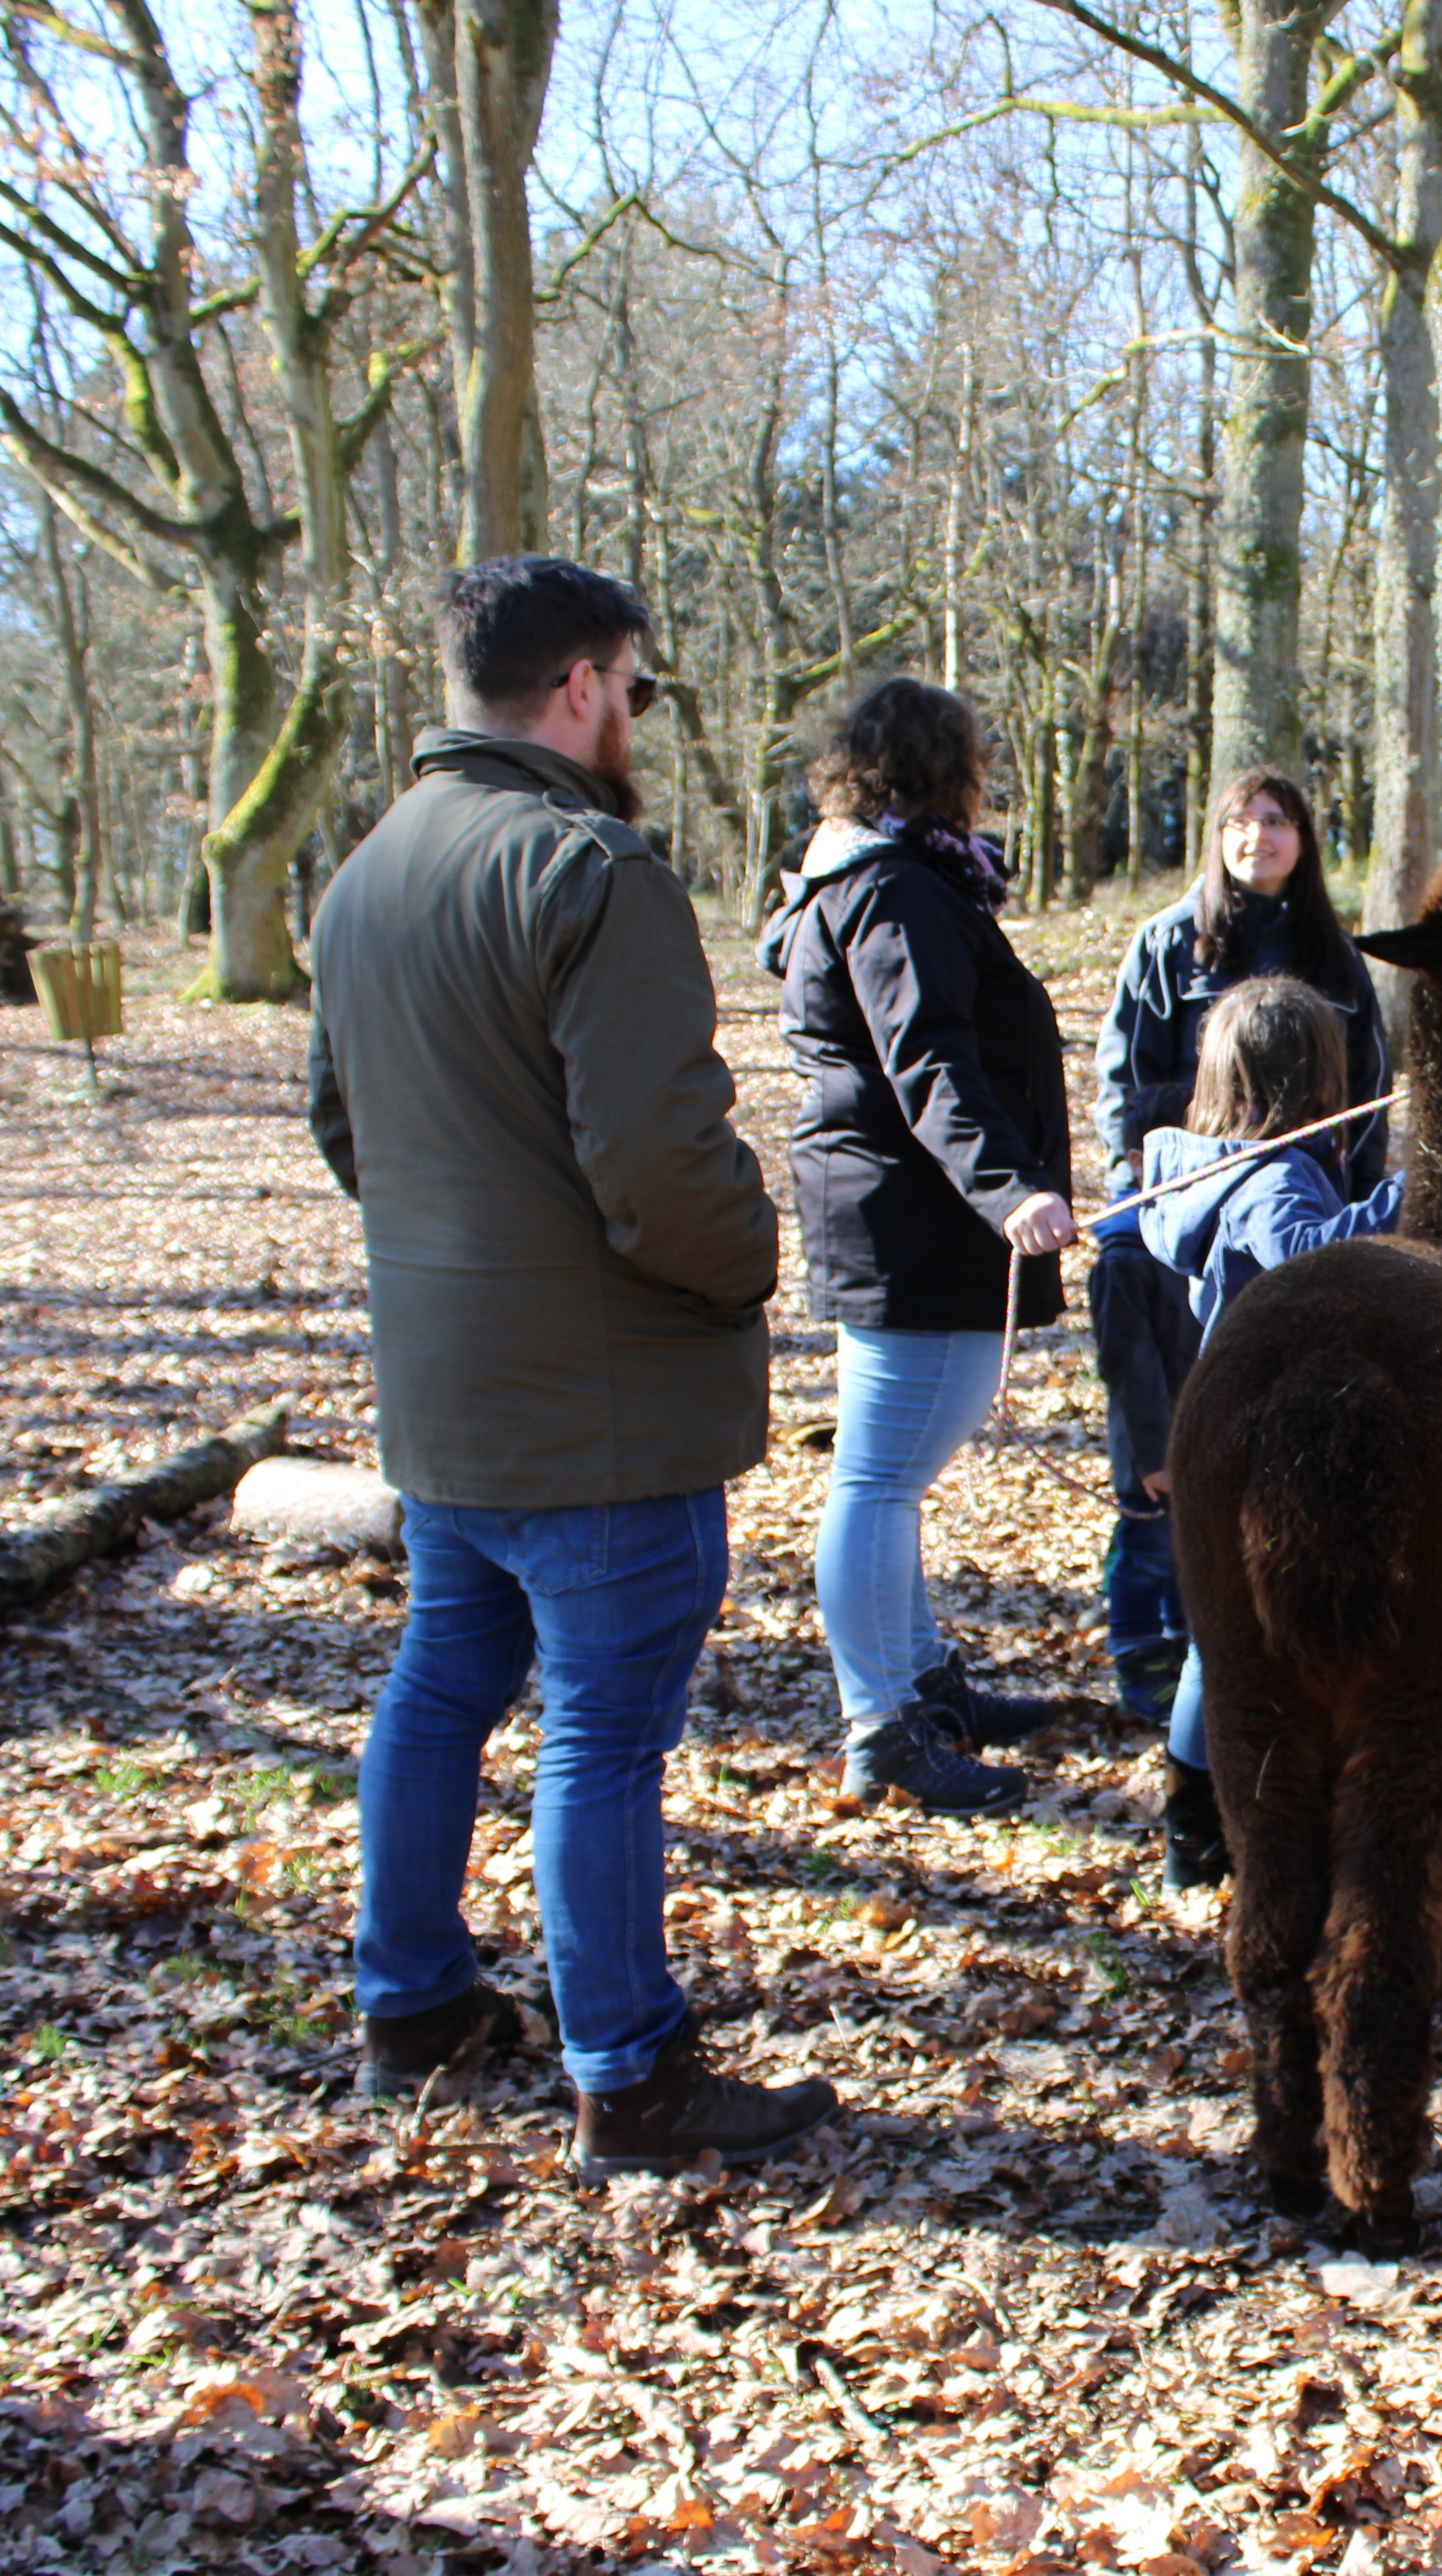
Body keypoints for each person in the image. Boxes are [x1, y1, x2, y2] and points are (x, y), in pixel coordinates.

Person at [307, 553, 836, 2181]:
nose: (639, 717)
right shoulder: (588, 870)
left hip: (447, 1397)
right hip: (603, 1407)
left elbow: (347, 1128)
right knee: (601, 1734)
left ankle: (411, 2001)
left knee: (443, 1685)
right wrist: (753, 1258)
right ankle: (633, 2069)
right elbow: (663, 1165)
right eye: (640, 686)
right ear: (584, 684)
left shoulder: (366, 875)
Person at [764, 680, 1081, 1817]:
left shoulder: (890, 877)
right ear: (944, 770)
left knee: (891, 1479)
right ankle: (881, 1729)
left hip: (904, 1212)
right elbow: (928, 1060)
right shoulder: (889, 888)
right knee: (878, 1481)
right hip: (914, 1220)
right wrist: (1008, 1193)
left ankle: (920, 1682)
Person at [1088, 769, 1389, 1727]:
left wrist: (1361, 1201)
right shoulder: (1168, 944)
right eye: (1237, 822)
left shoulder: (1335, 960)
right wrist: (1138, 1197)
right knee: (1161, 1444)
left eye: (1275, 821)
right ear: (1215, 838)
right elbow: (1128, 1083)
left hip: (1285, 1230)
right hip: (1184, 1213)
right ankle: (1149, 1645)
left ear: (1302, 837)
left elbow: (1368, 1086)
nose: (1256, 836)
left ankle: (1230, 1638)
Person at [1130, 976, 1406, 1888]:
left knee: (1225, 1639)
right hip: (1260, 1438)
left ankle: (1200, 1827)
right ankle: (1200, 1836)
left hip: (1222, 1422)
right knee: (1230, 1645)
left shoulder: (1195, 1161)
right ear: (1314, 1081)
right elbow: (1314, 1261)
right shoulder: (1276, 1175)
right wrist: (1410, 1194)